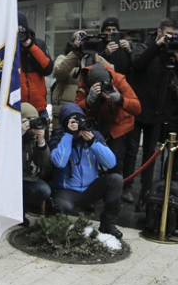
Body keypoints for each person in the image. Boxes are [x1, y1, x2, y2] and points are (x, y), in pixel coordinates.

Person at [127, 18, 178, 208]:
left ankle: (146, 191)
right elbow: (138, 63)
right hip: (138, 107)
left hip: (159, 110)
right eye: (168, 35)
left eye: (175, 35)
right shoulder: (144, 46)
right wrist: (156, 46)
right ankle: (127, 187)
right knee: (132, 152)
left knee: (150, 153)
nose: (171, 38)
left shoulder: (173, 50)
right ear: (159, 32)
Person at [50, 102, 123, 239]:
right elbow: (59, 163)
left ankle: (108, 223)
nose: (78, 125)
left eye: (80, 120)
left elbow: (111, 163)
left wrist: (93, 143)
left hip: (90, 189)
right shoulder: (59, 138)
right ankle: (59, 226)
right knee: (62, 207)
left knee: (116, 180)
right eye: (72, 121)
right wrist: (68, 135)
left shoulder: (93, 136)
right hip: (67, 191)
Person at [74, 62, 141, 184]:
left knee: (116, 160)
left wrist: (120, 99)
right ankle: (95, 187)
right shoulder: (85, 81)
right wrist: (88, 101)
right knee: (93, 157)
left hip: (119, 124)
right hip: (97, 123)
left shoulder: (119, 80)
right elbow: (76, 109)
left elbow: (137, 108)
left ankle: (120, 188)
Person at [17, 12, 53, 118]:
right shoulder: (8, 47)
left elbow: (48, 69)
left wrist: (31, 46)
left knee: (41, 134)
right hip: (18, 109)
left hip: (39, 108)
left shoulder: (38, 44)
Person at [20, 103, 52, 218]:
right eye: (28, 121)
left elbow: (45, 163)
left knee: (44, 191)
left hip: (28, 179)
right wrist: (19, 135)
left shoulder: (34, 137)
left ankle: (22, 210)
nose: (32, 124)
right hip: (9, 181)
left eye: (35, 120)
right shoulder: (8, 135)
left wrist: (41, 141)